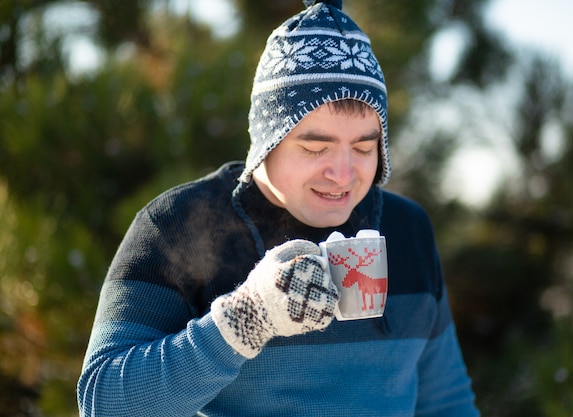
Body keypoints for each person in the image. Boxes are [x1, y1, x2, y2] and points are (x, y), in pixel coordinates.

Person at [77, 0, 480, 415]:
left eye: (364, 147)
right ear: (267, 141)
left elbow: (446, 401)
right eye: (315, 147)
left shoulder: (406, 229)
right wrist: (247, 319)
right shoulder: (179, 225)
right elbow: (103, 403)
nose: (343, 174)